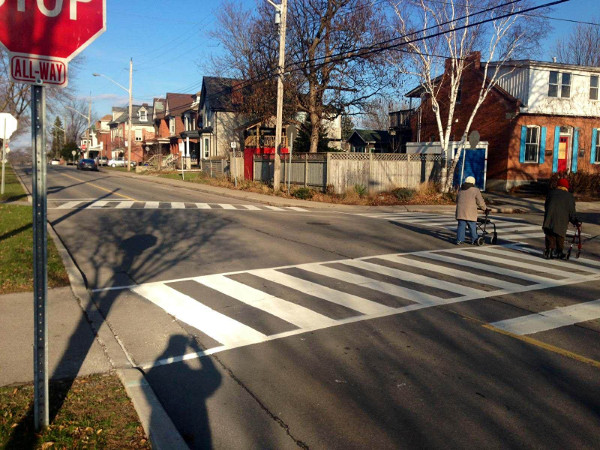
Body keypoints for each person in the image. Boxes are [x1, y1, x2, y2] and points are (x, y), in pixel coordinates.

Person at [543, 178, 580, 259]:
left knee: (550, 235)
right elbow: (571, 212)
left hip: (549, 219)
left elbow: (546, 206)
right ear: (566, 187)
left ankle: (549, 250)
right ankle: (559, 252)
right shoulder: (569, 196)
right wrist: (575, 221)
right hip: (562, 221)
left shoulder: (550, 193)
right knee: (560, 236)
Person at [455, 176, 487, 245]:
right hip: (470, 212)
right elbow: (480, 201)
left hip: (460, 211)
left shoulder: (461, 189)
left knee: (461, 225)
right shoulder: (475, 190)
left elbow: (457, 200)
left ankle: (459, 240)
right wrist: (484, 208)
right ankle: (474, 240)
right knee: (472, 226)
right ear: (473, 182)